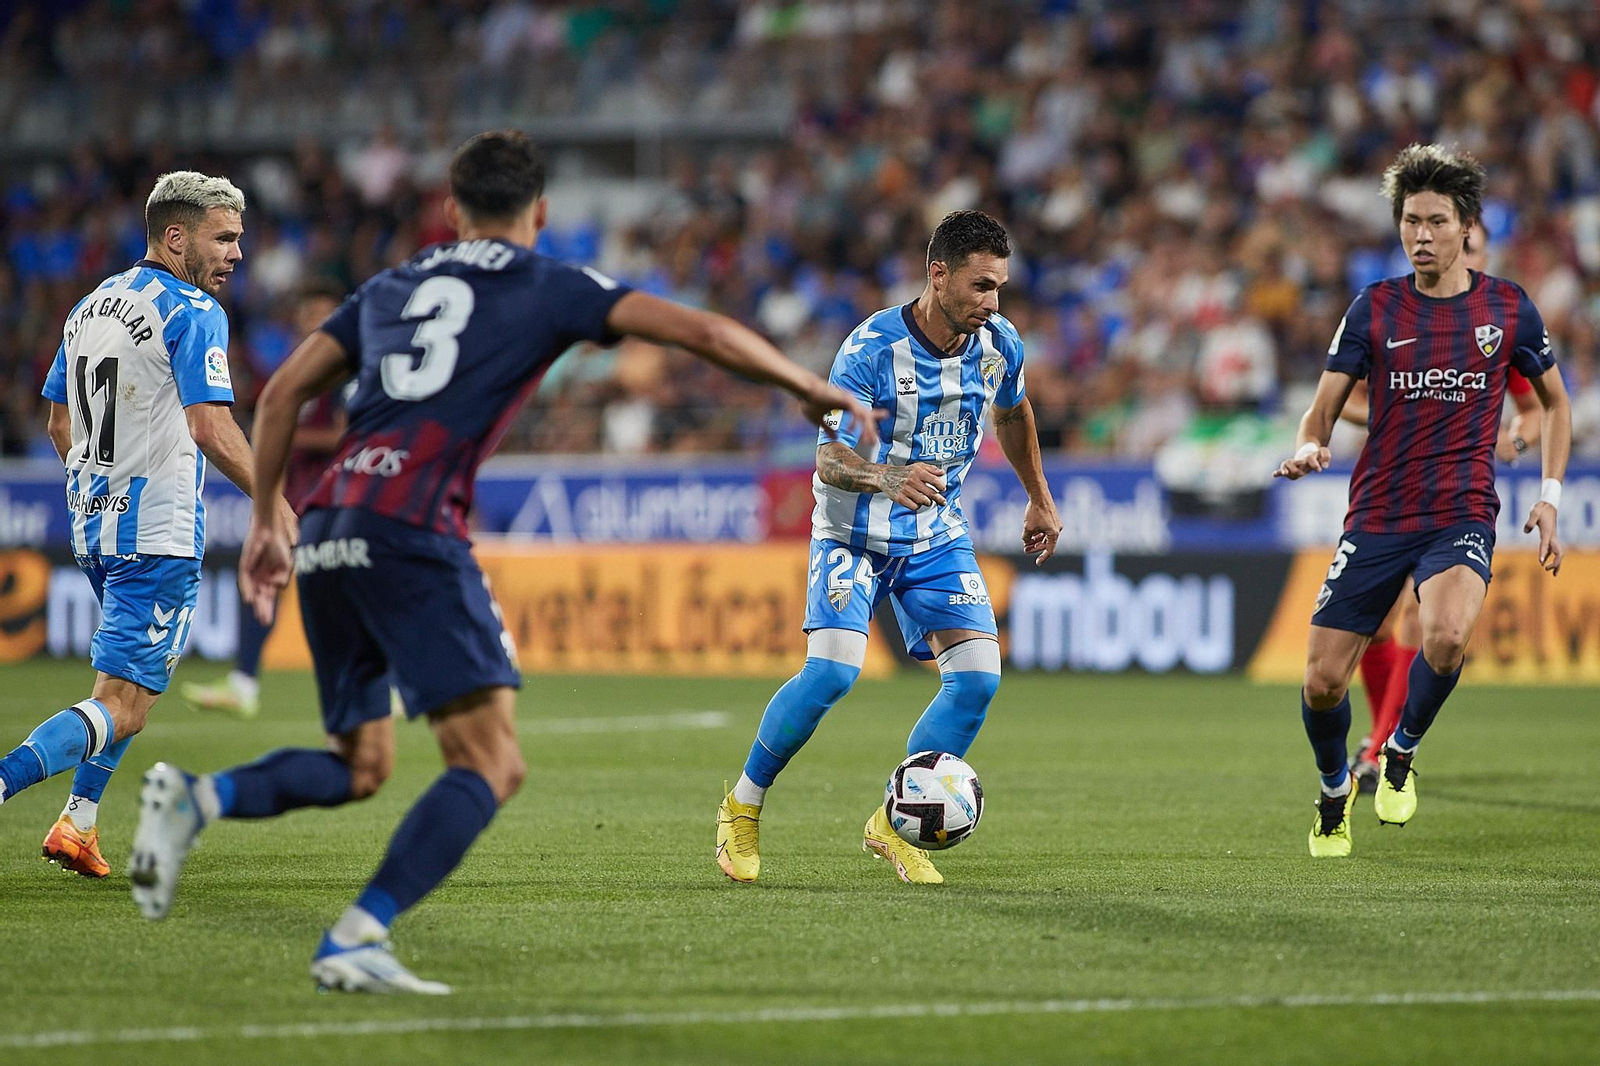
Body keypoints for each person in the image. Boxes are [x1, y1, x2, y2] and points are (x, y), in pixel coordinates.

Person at [124, 130, 878, 994]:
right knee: (492, 764)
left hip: (329, 524)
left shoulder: (393, 284)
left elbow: (288, 389)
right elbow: (700, 329)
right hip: (411, 528)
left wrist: (266, 518)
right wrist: (805, 386)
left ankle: (197, 799)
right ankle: (357, 936)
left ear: (452, 210)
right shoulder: (545, 282)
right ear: (540, 213)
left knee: (361, 765)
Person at [715, 210, 1062, 886]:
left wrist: (1039, 498)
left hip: (934, 533)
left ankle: (895, 822)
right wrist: (887, 477)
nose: (993, 303)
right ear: (938, 275)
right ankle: (742, 806)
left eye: (1000, 287)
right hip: (853, 531)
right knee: (833, 672)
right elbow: (828, 457)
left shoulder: (999, 343)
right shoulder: (871, 349)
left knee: (979, 678)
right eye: (981, 286)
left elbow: (1014, 413)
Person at [1275, 144, 1571, 858]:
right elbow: (1322, 408)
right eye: (1411, 221)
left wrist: (1549, 496)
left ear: (1467, 227)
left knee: (1445, 634)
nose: (1422, 235)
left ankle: (1401, 749)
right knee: (1321, 683)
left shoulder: (1507, 308)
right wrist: (1310, 444)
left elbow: (1555, 405)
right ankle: (1333, 790)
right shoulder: (1374, 307)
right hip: (1378, 515)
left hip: (1460, 511)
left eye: (1437, 221)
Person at [0, 171, 293, 877]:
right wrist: (271, 502)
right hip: (158, 534)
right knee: (124, 705)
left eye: (239, 240)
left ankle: (80, 820)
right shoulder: (193, 310)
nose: (236, 253)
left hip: (95, 529)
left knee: (132, 685)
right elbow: (210, 426)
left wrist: (95, 487)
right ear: (176, 236)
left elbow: (58, 424)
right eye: (223, 238)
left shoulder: (89, 306)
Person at [1335, 218, 1544, 793]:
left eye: (1474, 248)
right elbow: (1342, 395)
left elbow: (1535, 409)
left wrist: (1515, 440)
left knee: (1416, 618)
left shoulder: (1495, 325)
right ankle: (1379, 736)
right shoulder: (1398, 315)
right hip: (1389, 490)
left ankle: (1382, 748)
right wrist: (1401, 411)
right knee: (1376, 626)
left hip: (1454, 497)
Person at [182, 280, 349, 718]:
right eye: (306, 316)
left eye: (321, 316)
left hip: (335, 502)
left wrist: (283, 431)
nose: (311, 325)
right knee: (265, 581)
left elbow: (345, 436)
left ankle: (390, 682)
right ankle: (244, 683)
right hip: (296, 501)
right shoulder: (294, 375)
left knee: (346, 592)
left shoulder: (346, 375)